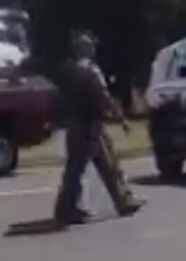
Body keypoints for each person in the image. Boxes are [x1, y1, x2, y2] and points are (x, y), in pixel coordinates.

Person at [54, 32, 145, 225]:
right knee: (102, 166)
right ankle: (69, 209)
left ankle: (69, 208)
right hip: (90, 126)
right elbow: (104, 96)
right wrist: (121, 118)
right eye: (91, 46)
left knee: (80, 169)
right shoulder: (91, 70)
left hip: (76, 124)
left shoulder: (68, 71)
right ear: (86, 49)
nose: (94, 49)